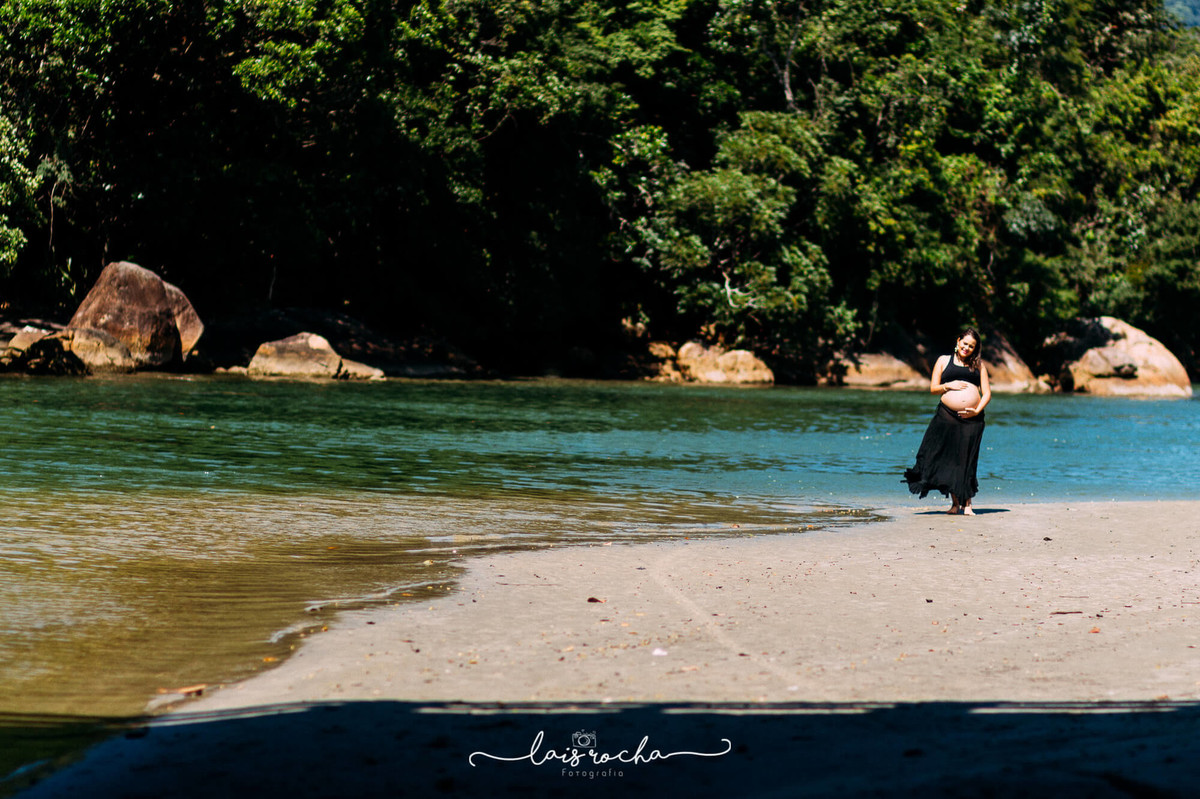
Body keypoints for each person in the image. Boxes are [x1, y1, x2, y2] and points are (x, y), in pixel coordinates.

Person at [903, 327, 991, 515]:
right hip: (947, 416)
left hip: (972, 419)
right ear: (958, 341)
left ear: (975, 349)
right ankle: (955, 504)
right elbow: (933, 388)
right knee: (948, 459)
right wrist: (949, 385)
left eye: (971, 346)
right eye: (965, 343)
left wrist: (976, 410)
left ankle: (968, 505)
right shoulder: (943, 360)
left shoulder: (978, 366)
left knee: (966, 460)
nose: (967, 348)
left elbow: (987, 394)